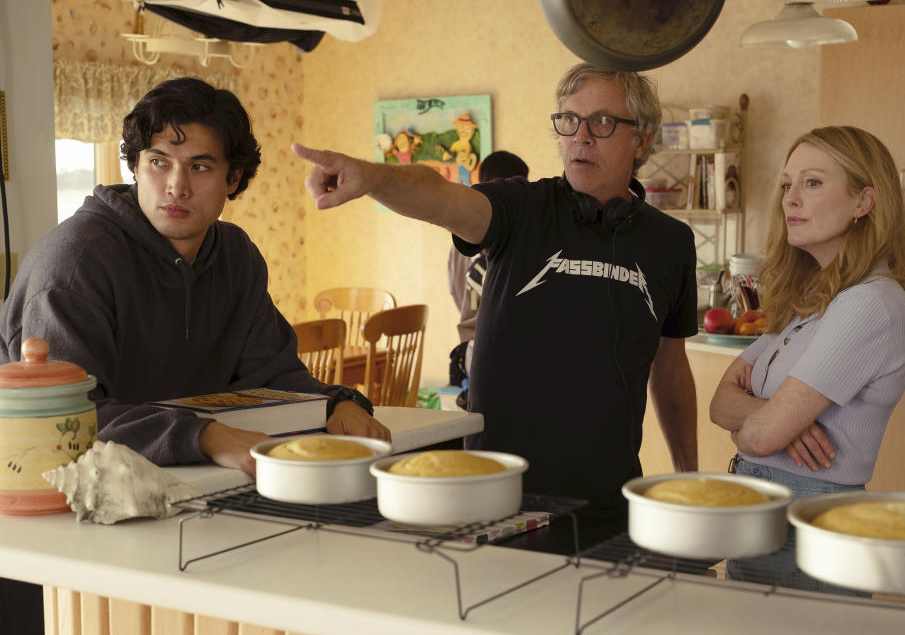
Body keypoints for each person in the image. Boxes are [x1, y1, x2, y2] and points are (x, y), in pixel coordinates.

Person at [293, 62, 699, 539]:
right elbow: (442, 197)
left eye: (602, 122)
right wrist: (373, 178)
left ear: (642, 139)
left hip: (607, 500)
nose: (581, 136)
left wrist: (687, 481)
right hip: (496, 493)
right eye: (569, 120)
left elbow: (671, 369)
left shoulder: (671, 243)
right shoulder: (520, 208)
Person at [0, 78, 390, 480]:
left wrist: (336, 403)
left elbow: (273, 375)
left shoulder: (236, 256)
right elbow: (66, 421)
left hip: (190, 484)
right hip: (57, 498)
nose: (176, 186)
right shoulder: (76, 263)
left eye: (199, 166)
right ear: (135, 166)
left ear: (234, 178)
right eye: (158, 161)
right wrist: (203, 436)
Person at [709, 126, 905, 593]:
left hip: (809, 525)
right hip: (767, 512)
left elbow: (763, 436)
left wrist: (763, 426)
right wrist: (773, 420)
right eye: (787, 184)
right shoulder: (811, 296)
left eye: (812, 183)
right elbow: (719, 403)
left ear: (863, 202)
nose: (790, 198)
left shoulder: (869, 303)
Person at [447, 150, 529, 343]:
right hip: (500, 341)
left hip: (470, 339)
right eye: (523, 183)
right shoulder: (513, 232)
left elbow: (455, 287)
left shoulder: (460, 233)